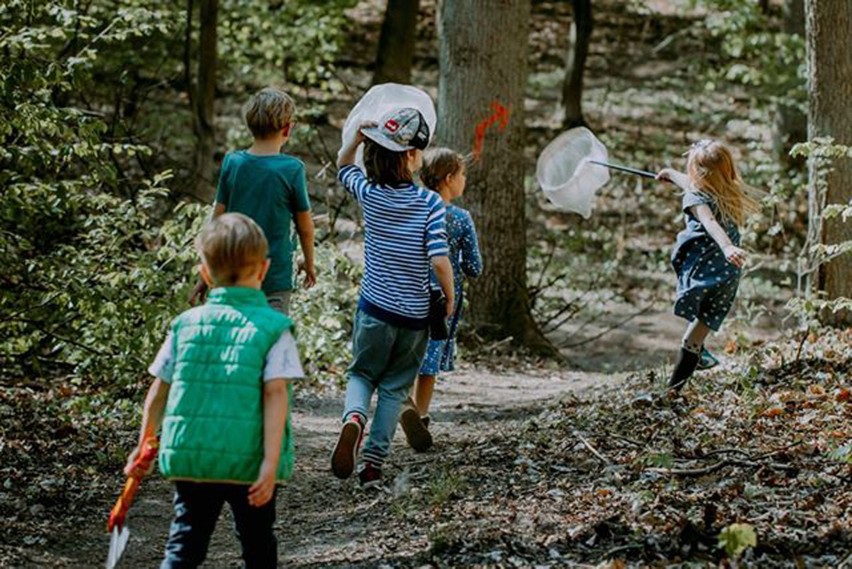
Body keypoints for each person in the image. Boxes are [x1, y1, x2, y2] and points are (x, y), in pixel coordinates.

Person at [125, 213, 304, 568]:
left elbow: (159, 390)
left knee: (185, 543)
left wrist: (145, 441)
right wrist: (270, 462)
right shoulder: (274, 328)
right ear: (264, 269)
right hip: (251, 462)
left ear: (205, 273)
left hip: (193, 459)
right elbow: (275, 394)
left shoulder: (184, 326)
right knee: (257, 543)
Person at [330, 108, 454, 488]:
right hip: (413, 318)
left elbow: (342, 165)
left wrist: (356, 138)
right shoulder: (431, 203)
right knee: (395, 389)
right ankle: (372, 465)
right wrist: (448, 296)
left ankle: (353, 418)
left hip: (374, 309)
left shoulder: (369, 193)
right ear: (413, 157)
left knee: (362, 373)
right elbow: (438, 259)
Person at [191, 86, 316, 313]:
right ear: (287, 129)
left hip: (231, 274)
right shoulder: (292, 169)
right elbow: (305, 227)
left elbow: (217, 221)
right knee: (269, 340)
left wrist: (206, 270)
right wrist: (309, 263)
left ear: (250, 126)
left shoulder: (233, 162)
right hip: (274, 278)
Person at [657, 140, 762, 392]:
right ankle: (698, 354)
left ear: (700, 174)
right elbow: (691, 183)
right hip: (727, 272)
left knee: (694, 328)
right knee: (705, 316)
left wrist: (726, 247)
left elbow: (709, 221)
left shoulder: (697, 197)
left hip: (704, 267)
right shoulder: (726, 189)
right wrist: (670, 174)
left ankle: (673, 392)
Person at [400, 147, 482, 452]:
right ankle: (420, 416)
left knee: (408, 351)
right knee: (430, 360)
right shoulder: (459, 218)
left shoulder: (413, 205)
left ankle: (404, 403)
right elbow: (474, 267)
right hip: (441, 298)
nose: (464, 181)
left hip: (408, 289)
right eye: (462, 175)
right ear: (448, 179)